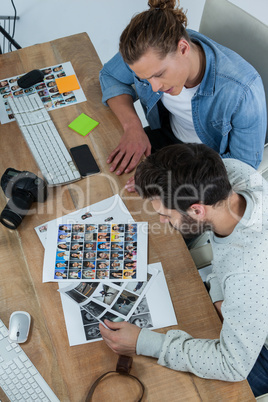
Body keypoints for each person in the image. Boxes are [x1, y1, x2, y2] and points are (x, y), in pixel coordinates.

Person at [100, 143, 268, 397]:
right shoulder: (234, 173)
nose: (162, 221)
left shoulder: (246, 273)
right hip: (245, 301)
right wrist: (219, 294)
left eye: (166, 215)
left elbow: (232, 365)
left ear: (197, 210)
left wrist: (143, 342)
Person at [99, 0, 267, 191]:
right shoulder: (147, 53)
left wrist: (177, 179)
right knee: (103, 171)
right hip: (168, 139)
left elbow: (243, 170)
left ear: (184, 48)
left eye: (159, 75)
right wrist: (132, 126)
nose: (154, 87)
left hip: (210, 166)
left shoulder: (243, 91)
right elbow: (110, 75)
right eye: (144, 78)